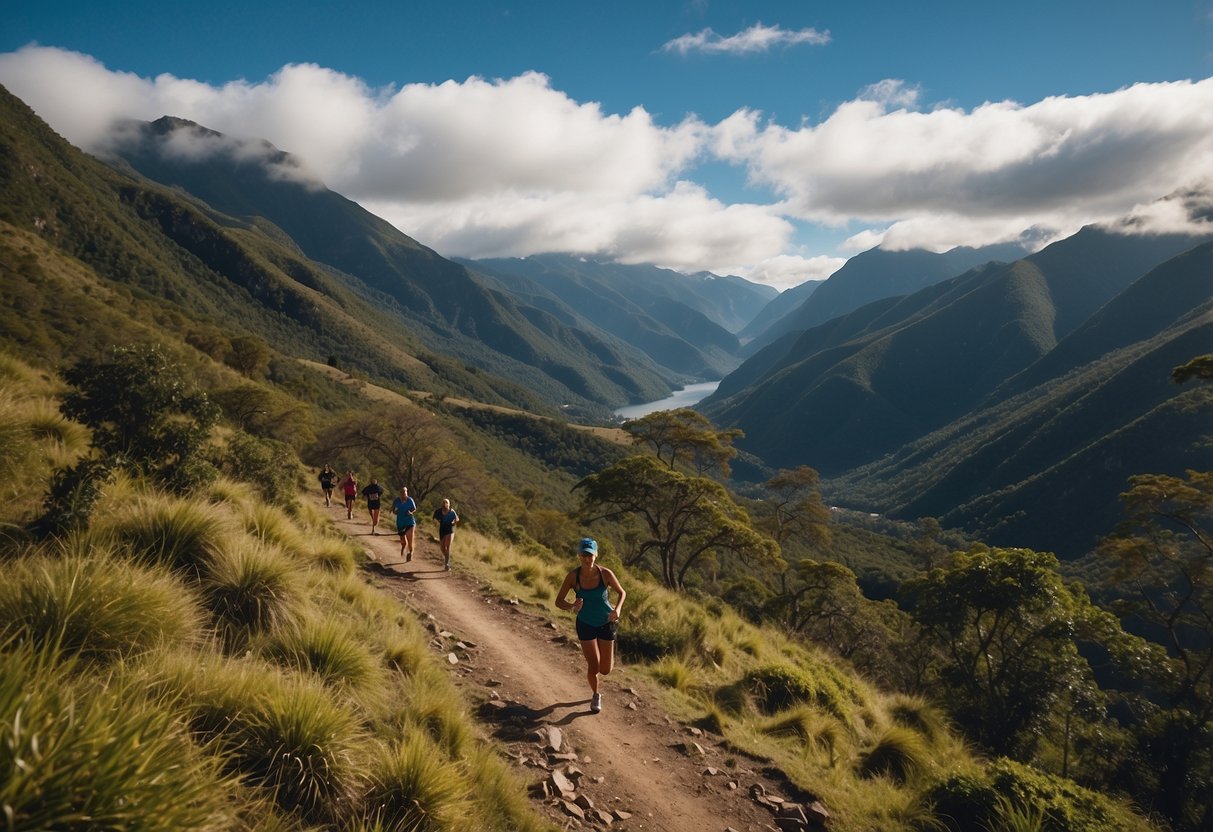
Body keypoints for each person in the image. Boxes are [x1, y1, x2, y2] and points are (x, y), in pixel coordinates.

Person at [555, 537, 625, 714]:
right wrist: (572, 606)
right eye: (584, 555)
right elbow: (558, 601)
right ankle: (595, 695)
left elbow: (621, 592)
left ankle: (603, 664)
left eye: (590, 555)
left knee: (606, 670)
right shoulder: (573, 577)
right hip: (585, 624)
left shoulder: (605, 574)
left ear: (596, 555)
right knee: (593, 667)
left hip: (606, 622)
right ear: (579, 555)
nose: (587, 559)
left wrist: (617, 609)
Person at [432, 498, 459, 571]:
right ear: (442, 504)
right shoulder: (438, 511)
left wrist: (454, 522)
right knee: (442, 548)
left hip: (450, 530)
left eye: (446, 502)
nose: (445, 504)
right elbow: (434, 518)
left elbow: (457, 519)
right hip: (442, 530)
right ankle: (448, 559)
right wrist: (436, 522)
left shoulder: (451, 511)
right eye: (444, 502)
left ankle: (447, 564)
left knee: (447, 546)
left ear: (449, 504)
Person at [392, 485, 417, 561]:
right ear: (400, 493)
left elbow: (414, 509)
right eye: (402, 492)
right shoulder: (397, 501)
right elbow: (394, 510)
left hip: (410, 522)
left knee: (410, 540)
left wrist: (410, 512)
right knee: (403, 541)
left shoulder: (410, 500)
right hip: (400, 523)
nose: (403, 494)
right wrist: (395, 511)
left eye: (405, 492)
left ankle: (410, 553)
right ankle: (403, 547)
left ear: (407, 492)